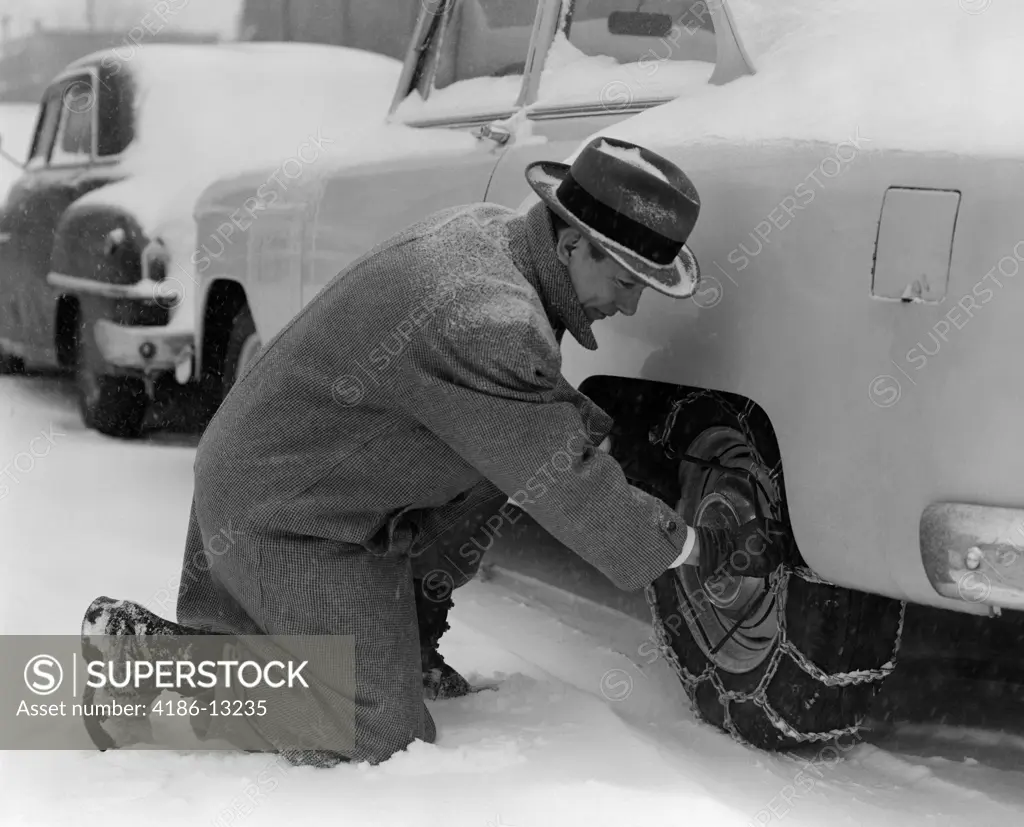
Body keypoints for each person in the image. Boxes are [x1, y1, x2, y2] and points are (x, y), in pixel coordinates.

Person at [81, 136, 791, 766]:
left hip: (299, 470)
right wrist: (694, 545)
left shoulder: (498, 237)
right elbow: (568, 483)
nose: (631, 307)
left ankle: (401, 644)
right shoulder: (487, 319)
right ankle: (145, 659)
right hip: (284, 509)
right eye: (628, 283)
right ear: (574, 243)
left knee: (502, 461)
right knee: (373, 731)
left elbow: (532, 437)